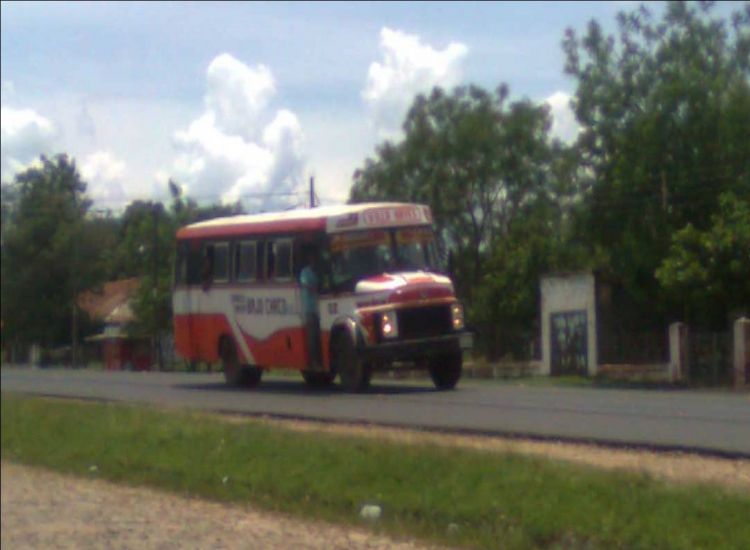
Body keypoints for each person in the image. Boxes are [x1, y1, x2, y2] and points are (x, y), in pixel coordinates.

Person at [300, 247, 322, 368]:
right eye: (312, 259)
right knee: (312, 338)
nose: (314, 261)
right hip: (309, 309)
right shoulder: (305, 272)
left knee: (319, 337)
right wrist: (315, 289)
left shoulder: (319, 272)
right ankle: (313, 362)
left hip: (319, 309)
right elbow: (305, 284)